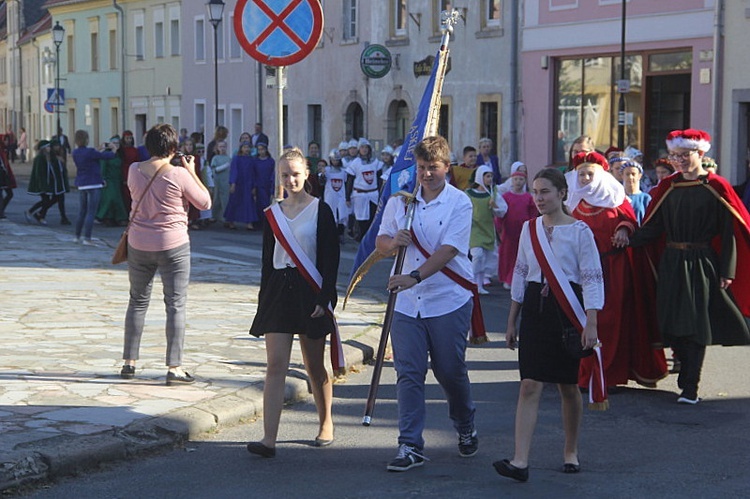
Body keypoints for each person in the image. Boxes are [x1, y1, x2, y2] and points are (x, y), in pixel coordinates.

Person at [376, 136, 484, 472]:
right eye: (421, 168)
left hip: (447, 299)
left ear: (446, 167)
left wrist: (416, 277)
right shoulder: (401, 201)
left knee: (449, 371)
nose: (426, 175)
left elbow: (449, 250)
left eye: (432, 168)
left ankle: (465, 423)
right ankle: (410, 445)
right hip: (407, 304)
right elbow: (380, 241)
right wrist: (394, 242)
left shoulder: (459, 203)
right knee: (409, 373)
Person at [623, 129, 750, 404]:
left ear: (700, 154)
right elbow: (653, 227)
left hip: (703, 262)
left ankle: (690, 386)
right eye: (674, 155)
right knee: (668, 320)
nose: (678, 160)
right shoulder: (668, 187)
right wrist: (624, 242)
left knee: (696, 325)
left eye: (684, 155)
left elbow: (729, 232)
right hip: (671, 262)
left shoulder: (715, 187)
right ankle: (684, 371)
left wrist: (727, 271)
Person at [494, 168, 604, 483]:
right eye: (536, 192)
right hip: (535, 309)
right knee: (529, 384)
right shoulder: (530, 229)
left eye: (545, 192)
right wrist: (512, 319)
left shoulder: (581, 231)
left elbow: (592, 277)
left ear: (561, 194)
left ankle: (570, 451)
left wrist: (591, 322)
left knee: (568, 386)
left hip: (568, 310)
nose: (539, 198)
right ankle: (520, 461)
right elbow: (520, 271)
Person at [247, 147, 339, 458]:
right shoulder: (273, 213)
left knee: (314, 364)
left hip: (309, 291)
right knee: (275, 366)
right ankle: (268, 439)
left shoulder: (320, 210)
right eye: (285, 175)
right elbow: (265, 262)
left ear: (306, 174)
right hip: (278, 290)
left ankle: (326, 422)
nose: (290, 179)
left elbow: (330, 259)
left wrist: (326, 298)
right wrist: (263, 302)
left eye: (295, 174)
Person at [566, 151, 667, 389]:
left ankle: (609, 375)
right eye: (581, 174)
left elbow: (629, 220)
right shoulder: (572, 202)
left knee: (611, 322)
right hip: (581, 272)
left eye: (590, 174)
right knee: (583, 322)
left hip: (614, 268)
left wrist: (623, 229)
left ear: (600, 175)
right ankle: (585, 373)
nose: (585, 179)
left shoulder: (615, 197)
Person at [120, 124, 211, 385]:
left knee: (137, 301)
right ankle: (174, 367)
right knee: (175, 304)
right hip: (173, 244)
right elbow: (205, 203)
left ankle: (129, 362)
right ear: (172, 148)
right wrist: (192, 172)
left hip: (138, 242)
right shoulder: (179, 175)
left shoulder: (134, 170)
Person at [466, 165, 508, 294]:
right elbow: (463, 208)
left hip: (487, 229)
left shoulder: (493, 193)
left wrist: (494, 206)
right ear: (480, 177)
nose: (490, 179)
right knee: (477, 255)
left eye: (491, 176)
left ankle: (479, 285)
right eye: (487, 176)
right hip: (474, 230)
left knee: (485, 258)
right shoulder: (469, 193)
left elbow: (502, 211)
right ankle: (471, 281)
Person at [71, 131, 115, 244]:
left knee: (82, 211)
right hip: (94, 183)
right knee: (91, 212)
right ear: (86, 139)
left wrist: (98, 149)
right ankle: (87, 237)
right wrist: (114, 149)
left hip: (82, 183)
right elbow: (106, 156)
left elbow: (92, 154)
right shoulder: (90, 152)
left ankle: (77, 236)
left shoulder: (75, 152)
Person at [497, 166, 537, 289]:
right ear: (511, 181)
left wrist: (531, 227)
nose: (518, 182)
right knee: (508, 255)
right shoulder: (506, 197)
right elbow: (501, 213)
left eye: (521, 179)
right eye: (516, 179)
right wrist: (499, 227)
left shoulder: (528, 197)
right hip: (509, 230)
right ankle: (507, 279)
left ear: (524, 181)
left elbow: (533, 213)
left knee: (522, 255)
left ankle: (520, 278)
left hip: (523, 230)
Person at [345, 138, 382, 241]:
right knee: (361, 219)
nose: (364, 149)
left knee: (372, 218)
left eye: (366, 147)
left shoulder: (375, 162)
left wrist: (380, 194)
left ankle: (371, 240)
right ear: (359, 149)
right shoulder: (355, 163)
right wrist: (347, 197)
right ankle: (362, 239)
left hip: (373, 194)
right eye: (362, 147)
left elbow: (379, 179)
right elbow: (350, 181)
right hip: (360, 195)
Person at [26, 141, 67, 226]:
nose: (49, 148)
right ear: (43, 148)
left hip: (48, 183)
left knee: (49, 200)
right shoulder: (40, 158)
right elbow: (39, 173)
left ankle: (40, 215)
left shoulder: (47, 157)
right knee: (46, 200)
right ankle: (31, 211)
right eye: (47, 147)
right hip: (43, 184)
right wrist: (43, 185)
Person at [224, 141, 258, 230]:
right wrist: (233, 183)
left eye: (248, 147)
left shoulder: (252, 159)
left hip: (248, 183)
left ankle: (249, 222)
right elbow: (234, 171)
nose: (247, 149)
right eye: (245, 147)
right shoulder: (236, 159)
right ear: (241, 149)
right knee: (234, 201)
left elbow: (254, 173)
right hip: (238, 183)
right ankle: (230, 221)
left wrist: (254, 185)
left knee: (248, 203)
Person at [95, 136, 128, 226]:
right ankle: (104, 216)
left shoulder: (119, 154)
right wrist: (103, 178)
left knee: (118, 199)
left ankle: (118, 217)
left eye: (118, 143)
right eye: (114, 144)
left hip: (117, 180)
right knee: (110, 198)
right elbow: (103, 167)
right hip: (109, 180)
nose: (116, 146)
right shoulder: (107, 154)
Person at [323, 148, 349, 242]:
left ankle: (340, 234)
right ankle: (331, 235)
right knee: (331, 215)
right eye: (334, 160)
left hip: (341, 196)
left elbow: (346, 183)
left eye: (337, 160)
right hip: (330, 196)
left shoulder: (343, 171)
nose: (335, 162)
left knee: (342, 215)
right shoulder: (326, 170)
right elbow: (322, 182)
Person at [622, 160, 651, 225]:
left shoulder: (645, 198)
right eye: (627, 174)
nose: (630, 177)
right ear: (622, 176)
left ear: (639, 176)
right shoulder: (619, 198)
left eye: (633, 174)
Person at [210, 140, 231, 224]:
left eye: (224, 147)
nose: (222, 148)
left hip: (226, 182)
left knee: (225, 199)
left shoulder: (228, 158)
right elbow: (214, 170)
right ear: (217, 148)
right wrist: (225, 166)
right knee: (216, 199)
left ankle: (225, 217)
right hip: (217, 182)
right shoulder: (215, 158)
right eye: (220, 147)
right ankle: (214, 216)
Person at [254, 141, 276, 223]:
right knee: (258, 204)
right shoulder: (255, 161)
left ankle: (266, 221)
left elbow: (272, 173)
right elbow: (254, 173)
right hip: (258, 185)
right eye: (259, 150)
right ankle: (258, 220)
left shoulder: (271, 161)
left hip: (267, 184)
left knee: (267, 203)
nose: (261, 151)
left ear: (266, 150)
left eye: (262, 149)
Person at [0, 145, 15, 219]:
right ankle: (1, 212)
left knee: (10, 194)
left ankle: (2, 210)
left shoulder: (3, 151)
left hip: (4, 177)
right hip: (2, 177)